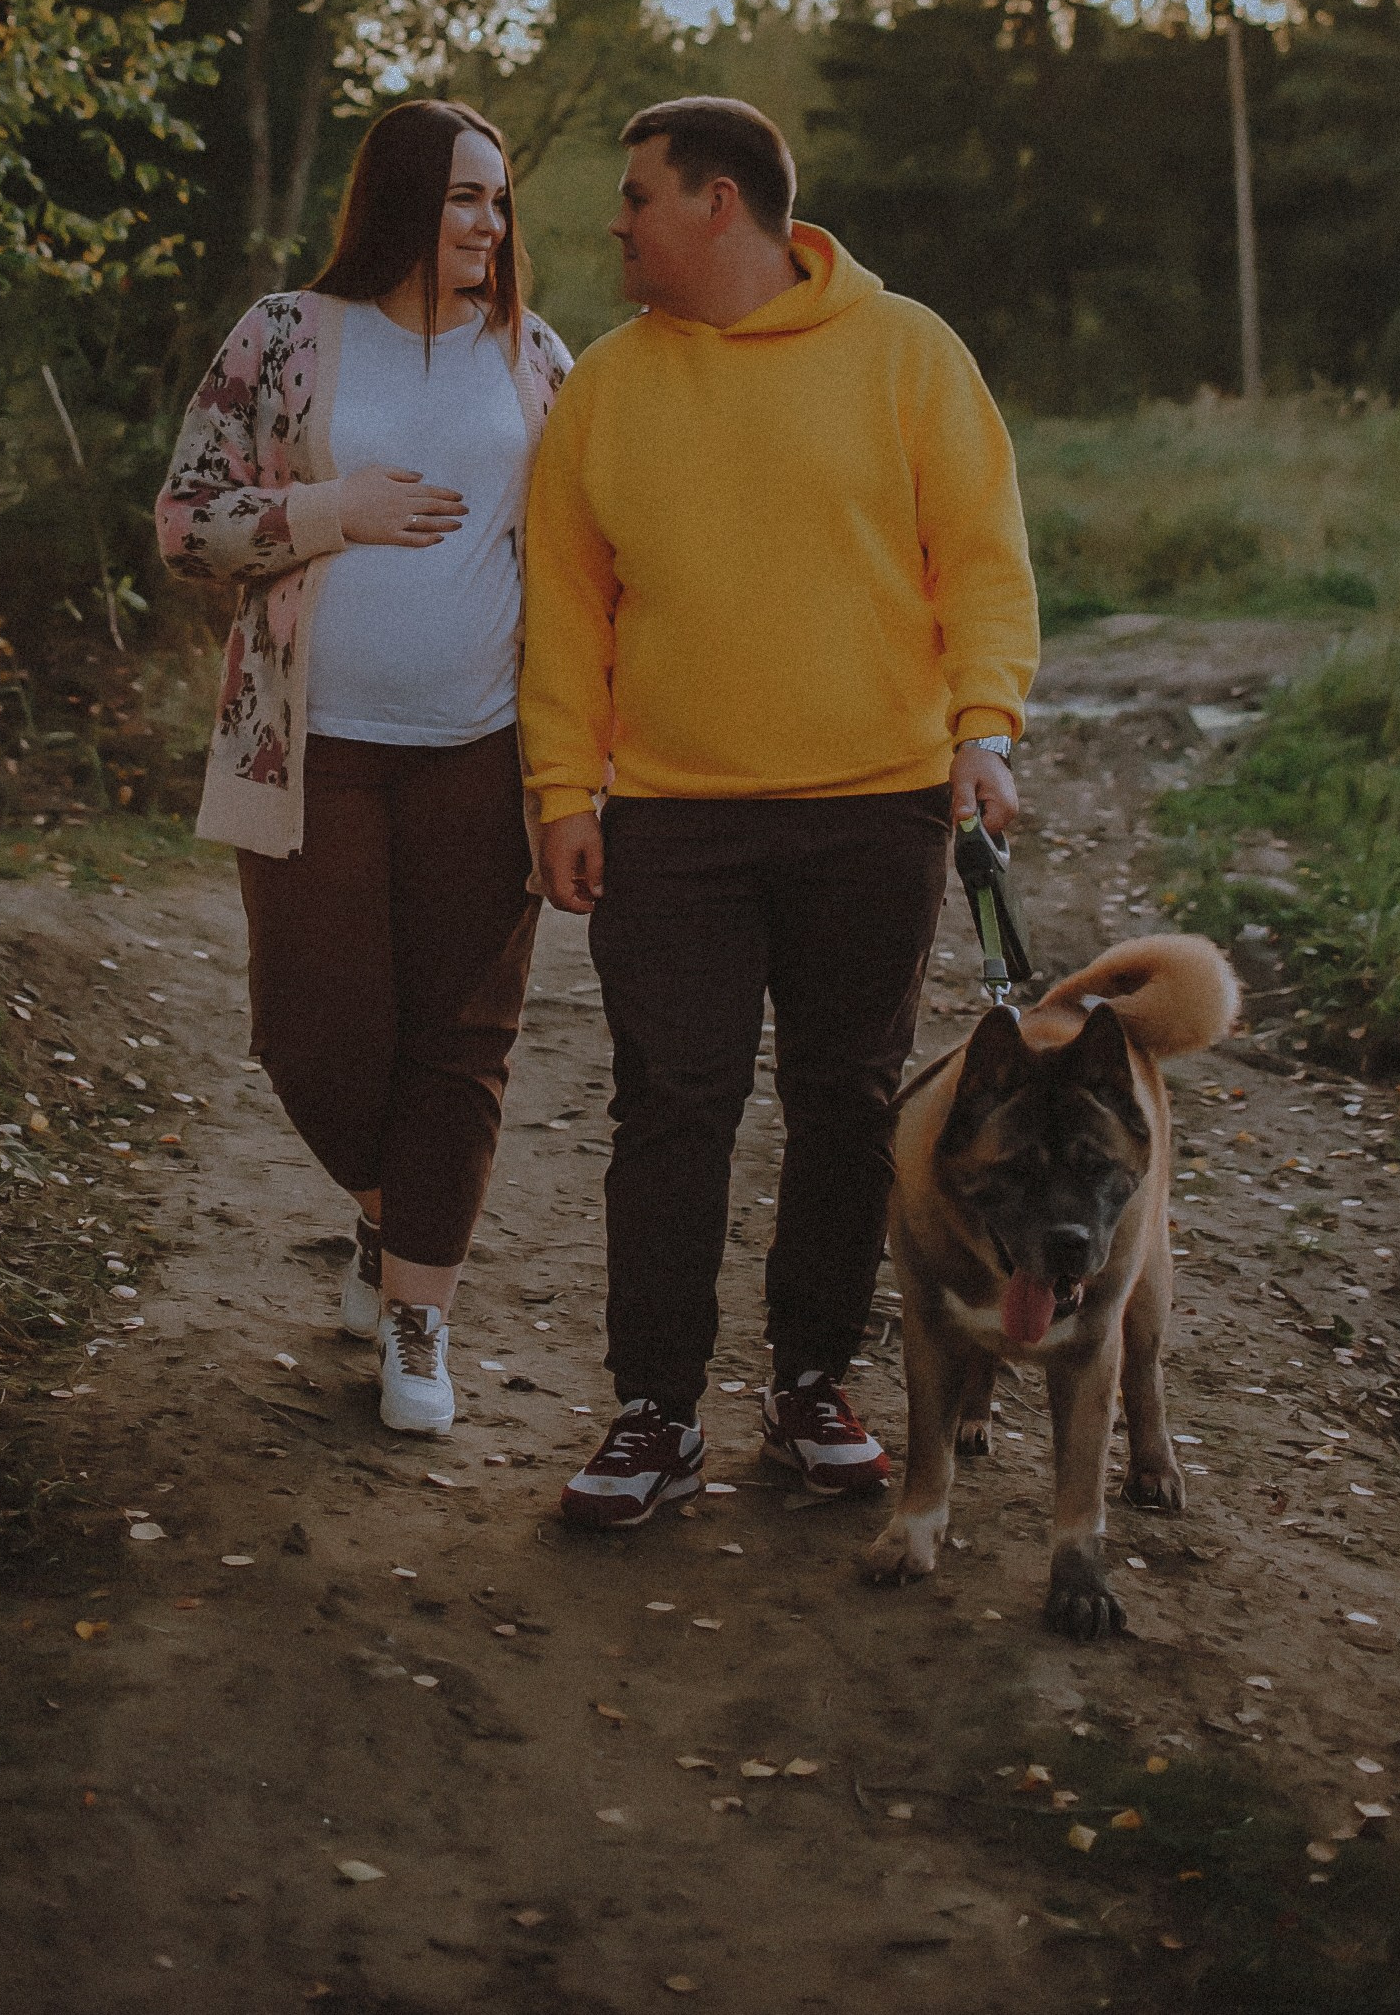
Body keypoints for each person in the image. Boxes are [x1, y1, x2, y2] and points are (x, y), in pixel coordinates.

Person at [520, 95, 1039, 1528]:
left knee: (845, 1102)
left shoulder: (909, 354)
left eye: (635, 198)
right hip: (672, 822)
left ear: (719, 207)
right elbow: (563, 614)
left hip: (871, 810)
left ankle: (812, 1381)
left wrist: (982, 730)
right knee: (672, 1103)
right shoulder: (608, 391)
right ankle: (654, 1413)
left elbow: (983, 561)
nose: (612, 224)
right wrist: (564, 790)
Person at [155, 101, 571, 1436]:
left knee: (464, 1038)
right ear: (399, 202)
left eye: (499, 203)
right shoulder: (286, 337)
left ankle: (416, 1309)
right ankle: (386, 1215)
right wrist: (335, 511)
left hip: (483, 753)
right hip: (312, 754)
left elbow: (586, 553)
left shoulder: (535, 357)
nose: (487, 226)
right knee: (315, 1034)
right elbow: (182, 527)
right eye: (463, 199)